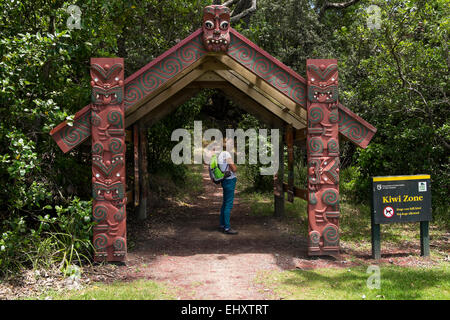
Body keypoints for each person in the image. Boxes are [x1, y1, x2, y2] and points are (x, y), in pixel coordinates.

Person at [218, 137, 238, 235]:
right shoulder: (226, 154)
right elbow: (234, 168)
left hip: (224, 180)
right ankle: (227, 227)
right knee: (228, 204)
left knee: (225, 203)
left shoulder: (220, 154)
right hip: (230, 181)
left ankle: (222, 224)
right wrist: (235, 167)